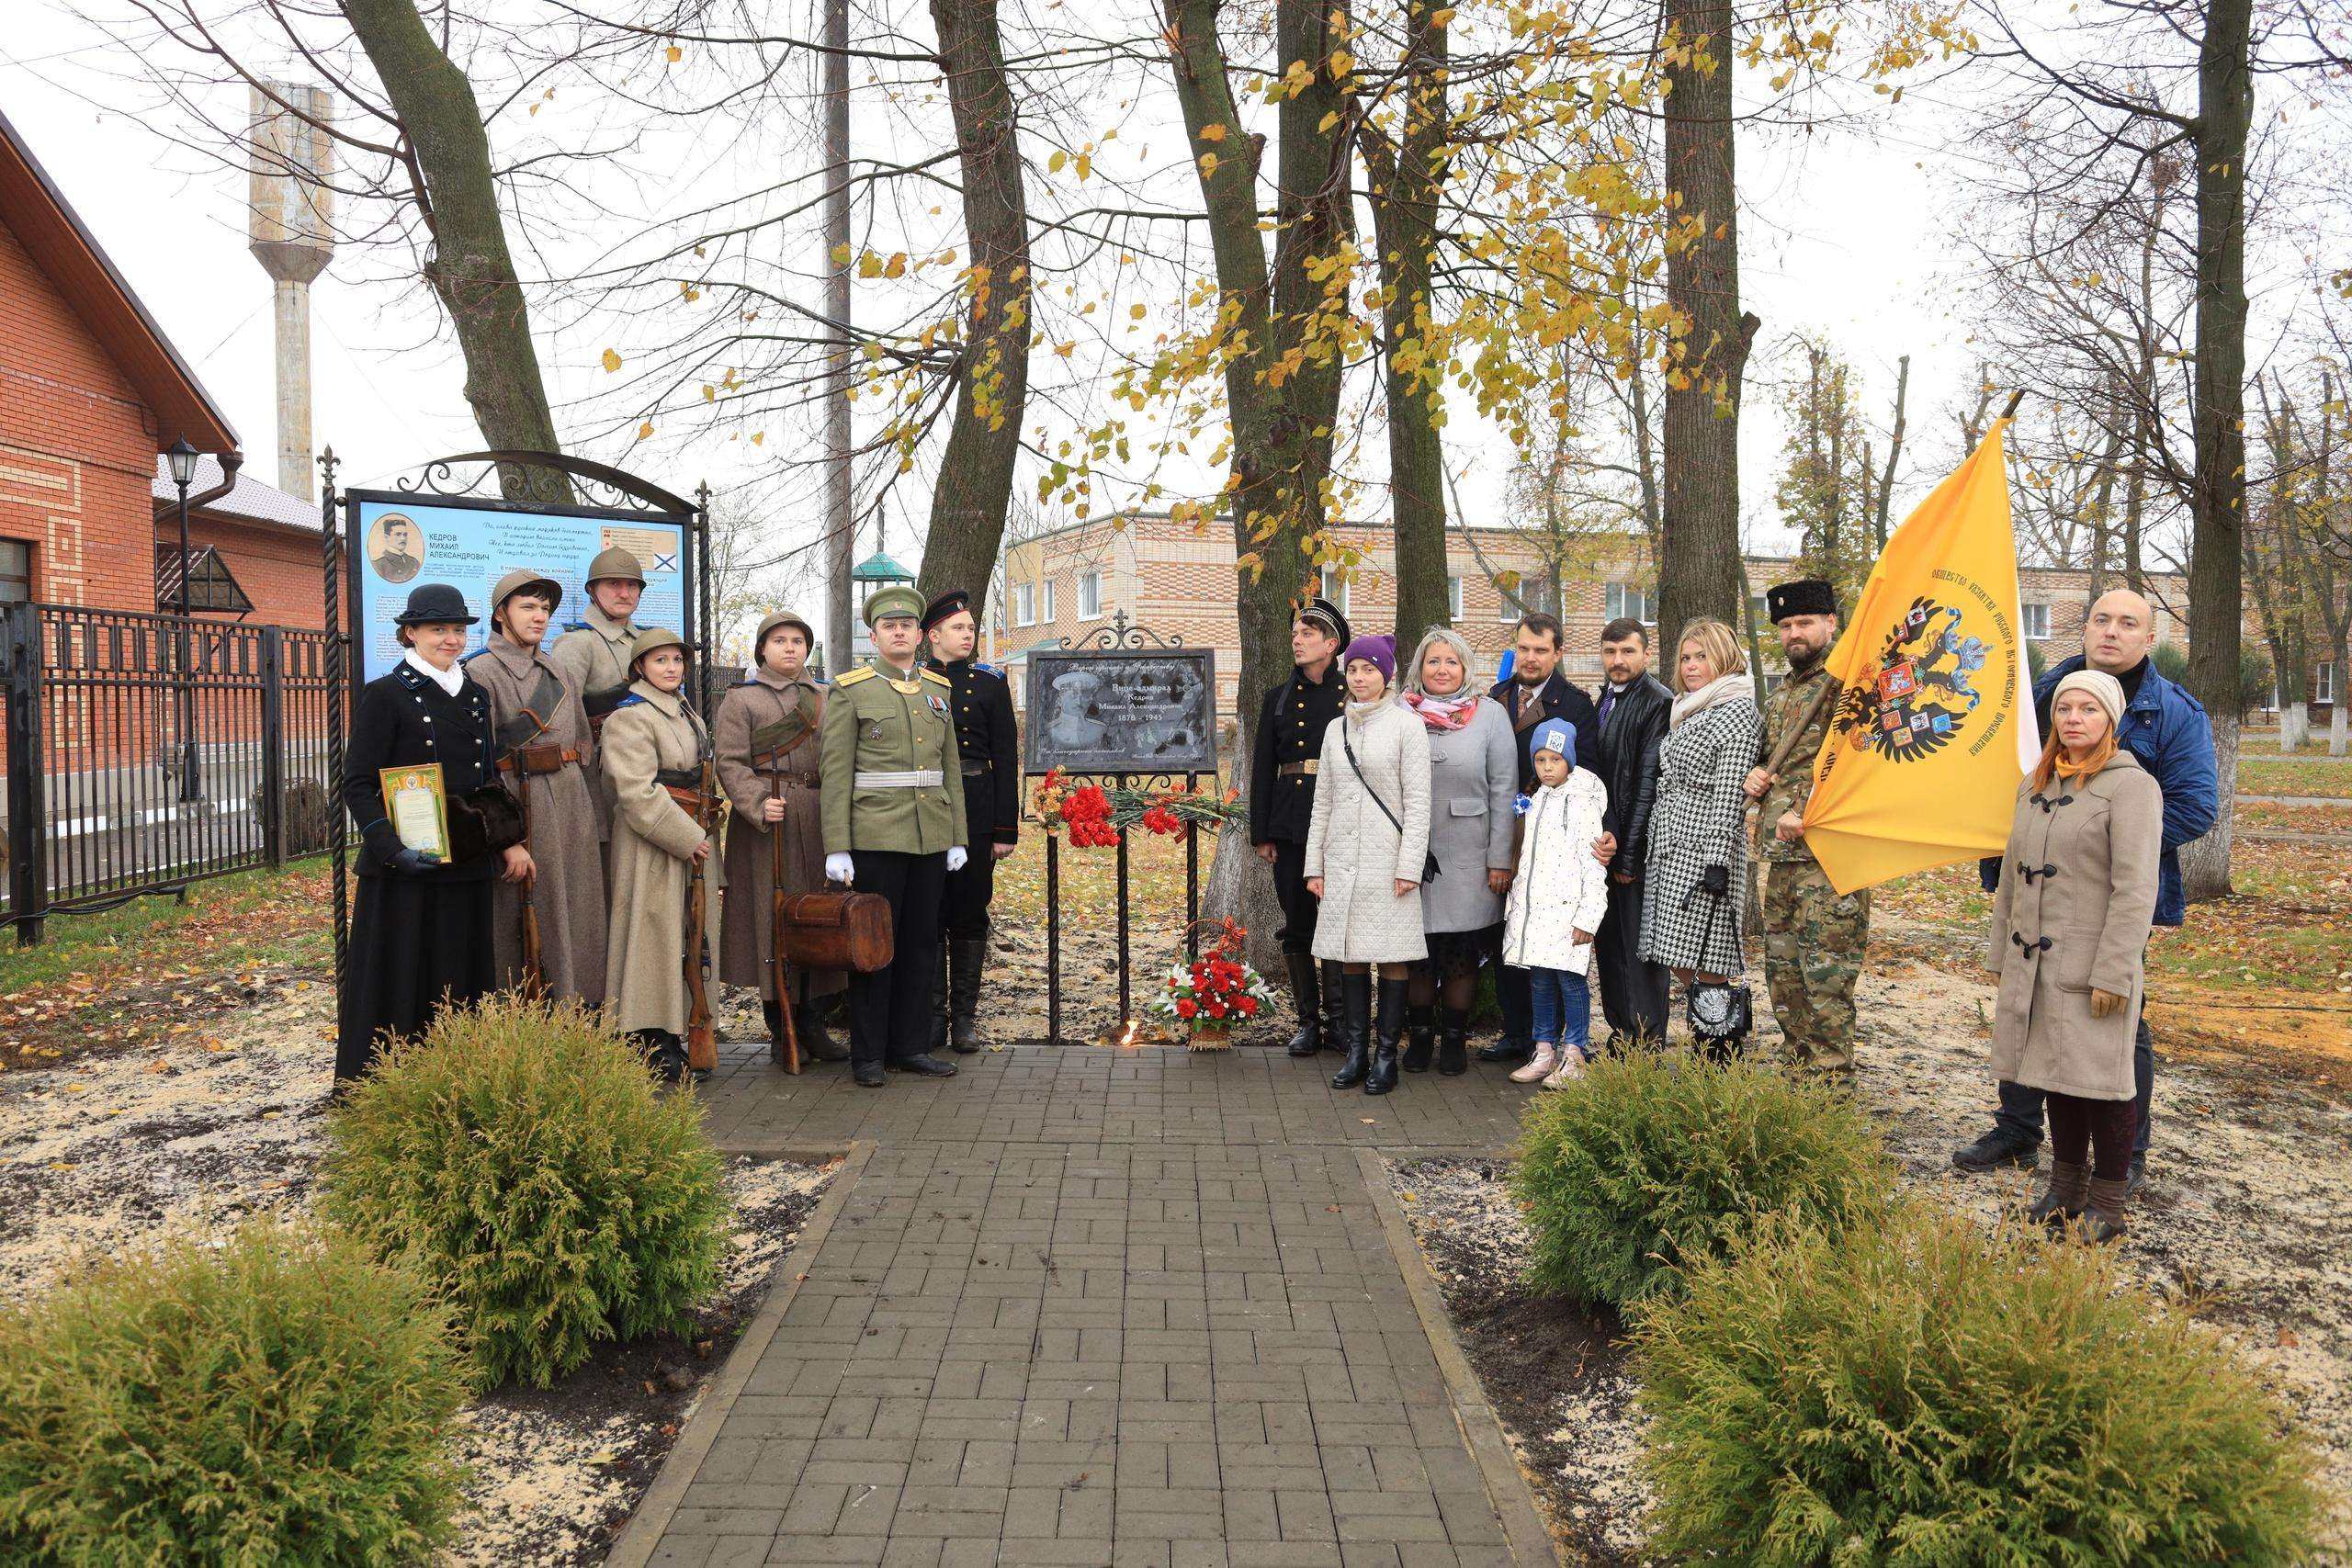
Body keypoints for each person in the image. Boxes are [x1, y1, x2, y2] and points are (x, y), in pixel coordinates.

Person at [1953, 589, 2218, 1190]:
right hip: (2030, 890)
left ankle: (2127, 1157)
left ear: (2149, 638)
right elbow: (2007, 776)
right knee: (2030, 1005)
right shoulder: (2042, 694)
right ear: (2085, 628)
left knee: (2117, 1017)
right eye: (2101, 619)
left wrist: (2096, 851)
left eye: (2129, 623)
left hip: (2109, 901)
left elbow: (2197, 806)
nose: (2111, 631)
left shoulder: (2173, 711)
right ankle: (2018, 1128)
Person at [1987, 670, 2162, 1242]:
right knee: (2053, 1078)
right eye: (2066, 708)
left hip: (2092, 967)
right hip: (2035, 963)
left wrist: (2115, 970)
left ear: (2110, 720)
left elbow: (2136, 888)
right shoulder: (2032, 785)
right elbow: (2012, 880)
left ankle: (2108, 1206)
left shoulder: (2131, 786)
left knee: (2104, 1085)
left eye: (2089, 709)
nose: (2074, 719)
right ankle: (2065, 1191)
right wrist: (2001, 956)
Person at [336, 583, 514, 1083]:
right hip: (404, 871)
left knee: (460, 979)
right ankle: (384, 1089)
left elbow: (487, 782)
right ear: (410, 632)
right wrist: (392, 850)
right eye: (439, 629)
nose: (451, 639)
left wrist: (505, 840)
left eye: (458, 629)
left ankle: (455, 1082)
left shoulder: (476, 695)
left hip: (465, 865)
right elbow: (357, 783)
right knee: (399, 980)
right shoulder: (386, 694)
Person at [820, 584, 968, 1089]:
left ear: (919, 634)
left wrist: (958, 837)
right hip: (876, 833)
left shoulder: (937, 690)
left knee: (922, 944)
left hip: (931, 834)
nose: (899, 631)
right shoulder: (851, 689)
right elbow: (836, 772)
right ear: (874, 634)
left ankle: (910, 1047)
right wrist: (836, 843)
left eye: (907, 625)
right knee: (874, 946)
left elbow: (950, 768)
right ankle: (869, 1053)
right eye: (889, 626)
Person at [1743, 579, 1870, 1081]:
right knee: (1785, 982)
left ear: (1831, 624)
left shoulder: (1850, 685)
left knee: (1826, 988)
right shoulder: (1782, 695)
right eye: (1786, 626)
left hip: (1829, 861)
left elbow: (1865, 767)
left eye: (1804, 623)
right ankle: (1802, 1091)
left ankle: (1831, 1101)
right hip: (1782, 860)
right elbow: (1775, 762)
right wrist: (1757, 773)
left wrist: (1812, 811)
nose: (1794, 633)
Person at [464, 569, 606, 1008]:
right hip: (520, 801)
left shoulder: (560, 669)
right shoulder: (481, 672)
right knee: (523, 916)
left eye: (545, 608)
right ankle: (528, 1020)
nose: (540, 616)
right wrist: (506, 835)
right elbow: (480, 767)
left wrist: (593, 820)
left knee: (578, 912)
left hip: (571, 802)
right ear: (501, 614)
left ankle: (582, 1011)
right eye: (528, 607)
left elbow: (581, 744)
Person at [714, 610, 848, 1065]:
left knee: (819, 917)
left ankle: (814, 1021)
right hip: (768, 822)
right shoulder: (742, 700)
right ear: (762, 649)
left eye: (797, 640)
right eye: (779, 640)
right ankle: (781, 1025)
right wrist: (754, 801)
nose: (790, 648)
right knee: (772, 921)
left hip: (819, 813)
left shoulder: (827, 697)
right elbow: (729, 761)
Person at [1304, 633, 1430, 1096]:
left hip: (1388, 861)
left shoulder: (1406, 727)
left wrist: (1408, 866)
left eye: (1369, 670)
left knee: (1393, 958)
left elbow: (1418, 804)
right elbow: (1323, 802)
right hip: (1341, 861)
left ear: (1385, 675)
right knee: (1351, 956)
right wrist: (1314, 865)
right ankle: (1357, 1052)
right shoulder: (1335, 730)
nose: (1359, 678)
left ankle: (1385, 1057)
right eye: (1353, 669)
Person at [1477, 612, 1601, 1067]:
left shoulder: (1574, 704)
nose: (1530, 658)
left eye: (1541, 650)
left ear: (1558, 653)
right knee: (1509, 932)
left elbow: (1586, 773)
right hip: (1498, 827)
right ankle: (1517, 1032)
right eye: (1523, 648)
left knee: (1550, 941)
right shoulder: (1495, 698)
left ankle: (1556, 1042)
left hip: (1550, 832)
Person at [601, 628, 717, 1083]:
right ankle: (648, 1039)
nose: (671, 668)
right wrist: (687, 837)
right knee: (651, 937)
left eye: (676, 660)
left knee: (687, 936)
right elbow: (635, 792)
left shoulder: (688, 713)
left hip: (692, 832)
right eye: (660, 661)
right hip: (653, 841)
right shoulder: (629, 718)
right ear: (639, 669)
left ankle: (680, 1029)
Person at [1399, 626, 1516, 1076]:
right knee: (1417, 956)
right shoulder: (1400, 711)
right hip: (1411, 856)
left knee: (1461, 956)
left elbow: (1505, 788)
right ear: (1419, 668)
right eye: (1433, 661)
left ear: (1465, 668)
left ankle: (1453, 1041)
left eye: (1451, 661)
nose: (1442, 669)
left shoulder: (1489, 715)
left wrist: (1499, 858)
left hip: (1470, 856)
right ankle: (1420, 1037)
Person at [1639, 619, 1764, 1039]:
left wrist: (1716, 862)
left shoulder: (1736, 712)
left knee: (1709, 959)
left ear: (1724, 657)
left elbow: (1729, 795)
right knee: (1679, 955)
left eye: (1702, 657)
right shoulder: (1692, 706)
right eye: (1686, 658)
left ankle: (1719, 1056)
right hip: (1672, 848)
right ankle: (1712, 1041)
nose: (1691, 666)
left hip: (1705, 851)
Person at [1250, 595, 1351, 1058]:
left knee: (1336, 921)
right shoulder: (1278, 697)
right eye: (1295, 633)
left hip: (1340, 823)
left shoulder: (1350, 694)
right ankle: (1308, 1021)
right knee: (1297, 923)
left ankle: (1340, 1022)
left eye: (1307, 633)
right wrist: (1261, 832)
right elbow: (1262, 767)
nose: (1297, 639)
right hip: (1290, 825)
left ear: (1331, 645)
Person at [921, 588, 1020, 1054]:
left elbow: (1005, 755)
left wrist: (1005, 828)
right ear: (932, 634)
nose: (968, 635)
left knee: (968, 913)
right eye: (958, 628)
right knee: (927, 914)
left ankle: (964, 1019)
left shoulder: (990, 682)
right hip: (923, 808)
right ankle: (930, 1017)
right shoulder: (914, 681)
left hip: (978, 810)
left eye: (971, 628)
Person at [1502, 717, 1611, 1088]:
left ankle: (1575, 1053)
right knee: (1540, 982)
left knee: (1571, 982)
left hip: (1568, 914)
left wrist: (1588, 916)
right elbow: (1526, 861)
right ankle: (1544, 1048)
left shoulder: (1582, 804)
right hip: (1536, 913)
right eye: (1541, 760)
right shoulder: (1533, 801)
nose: (1547, 768)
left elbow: (1594, 865)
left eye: (1555, 760)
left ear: (1570, 761)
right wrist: (1517, 910)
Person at [1589, 616, 1672, 1051]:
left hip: (1632, 854)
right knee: (1611, 951)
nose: (1617, 661)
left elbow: (1647, 783)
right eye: (1610, 652)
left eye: (1627, 652)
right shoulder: (1608, 697)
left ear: (1646, 653)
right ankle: (1622, 1038)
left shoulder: (1657, 702)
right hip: (1607, 848)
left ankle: (1647, 1045)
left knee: (1639, 954)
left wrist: (1629, 856)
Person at [550, 545, 648, 746]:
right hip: (603, 764)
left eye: (631, 585)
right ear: (592, 590)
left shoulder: (648, 640)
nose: (624, 593)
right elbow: (562, 718)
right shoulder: (576, 643)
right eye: (614, 584)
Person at [370, 516, 422, 583]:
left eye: (405, 534)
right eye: (398, 534)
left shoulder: (415, 562)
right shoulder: (379, 564)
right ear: (387, 537)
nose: (403, 538)